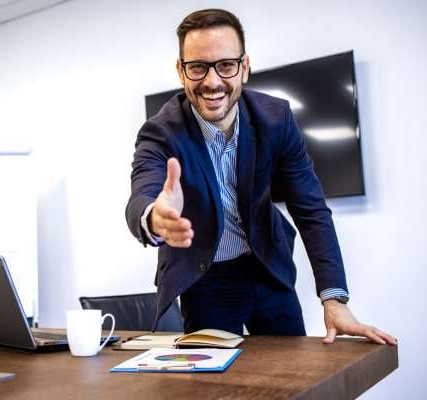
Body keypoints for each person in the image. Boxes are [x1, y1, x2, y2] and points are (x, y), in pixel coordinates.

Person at [126, 8, 396, 345]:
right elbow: (142, 193)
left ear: (245, 68)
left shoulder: (276, 118)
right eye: (197, 67)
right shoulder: (160, 132)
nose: (213, 82)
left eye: (226, 65)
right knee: (211, 390)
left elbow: (310, 208)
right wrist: (155, 218)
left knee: (291, 377)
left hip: (268, 266)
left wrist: (334, 298)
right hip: (205, 278)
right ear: (181, 72)